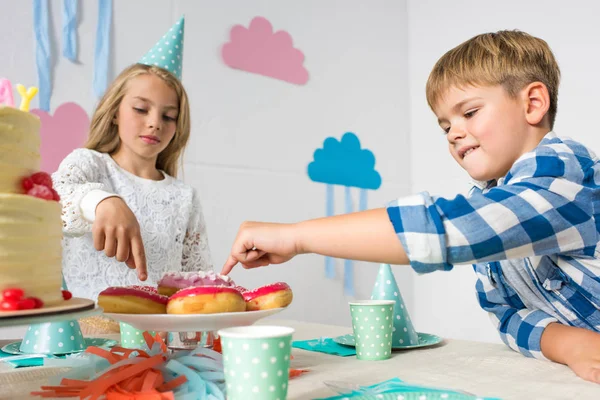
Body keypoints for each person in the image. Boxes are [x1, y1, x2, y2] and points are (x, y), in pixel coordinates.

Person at [221, 30, 600, 383]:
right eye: (444, 125)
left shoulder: (565, 172)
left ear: (533, 103)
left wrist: (296, 236)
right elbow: (507, 313)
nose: (453, 133)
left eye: (469, 113)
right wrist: (570, 344)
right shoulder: (486, 202)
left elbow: (454, 229)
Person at [53, 18, 213, 305]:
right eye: (141, 109)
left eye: (168, 116)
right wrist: (103, 201)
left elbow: (195, 282)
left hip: (157, 342)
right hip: (89, 338)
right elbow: (56, 197)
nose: (154, 123)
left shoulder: (184, 197)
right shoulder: (90, 165)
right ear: (114, 112)